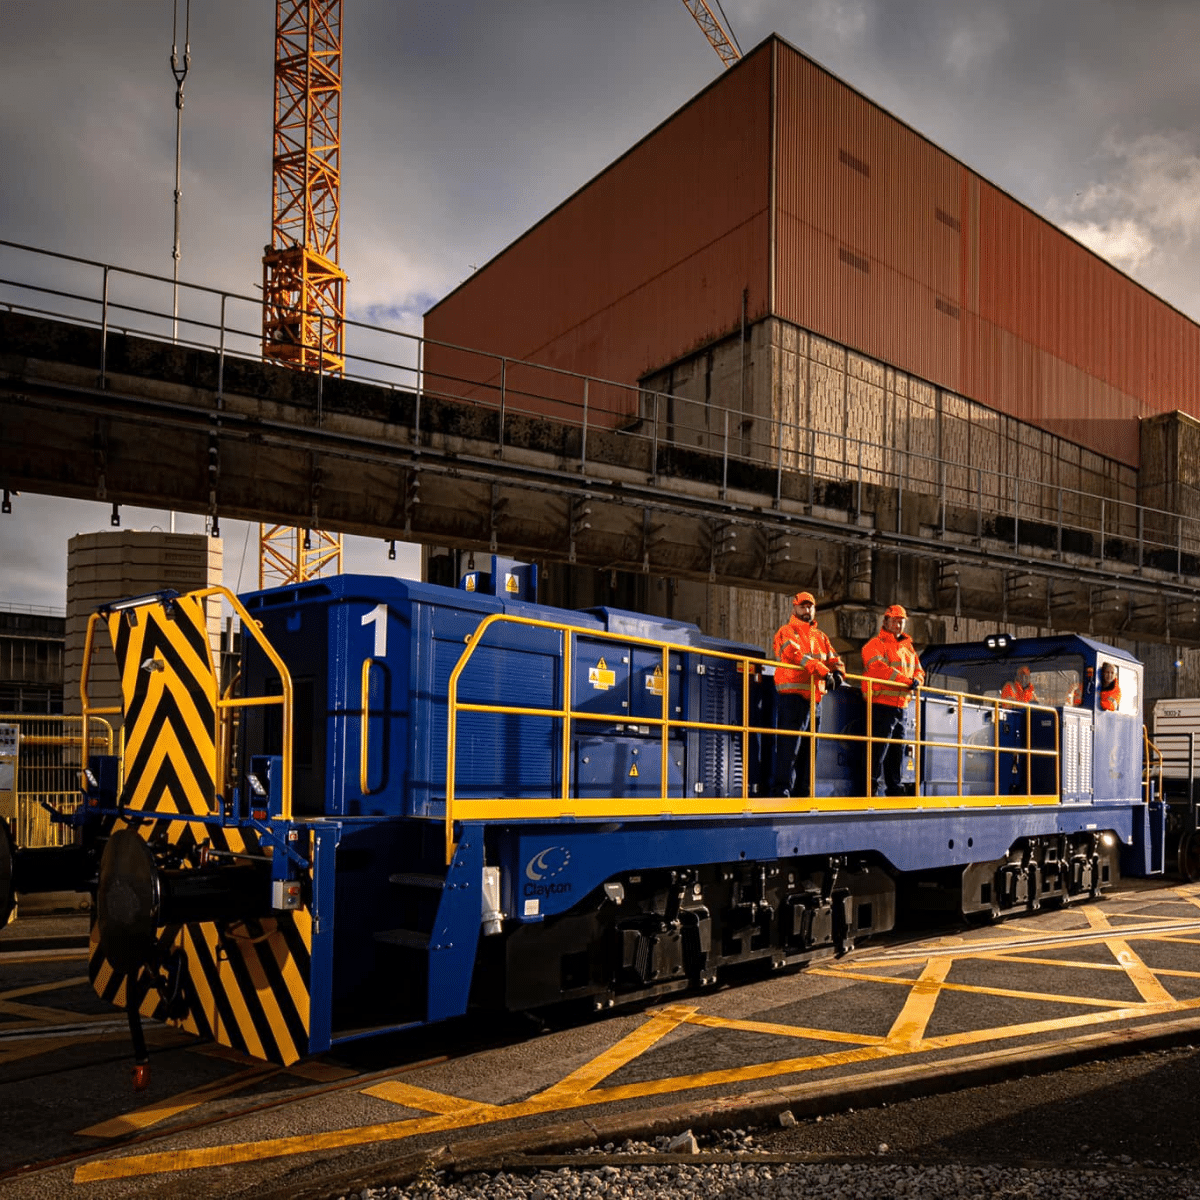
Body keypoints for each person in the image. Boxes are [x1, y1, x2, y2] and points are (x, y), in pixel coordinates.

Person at [771, 591, 845, 797]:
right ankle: (781, 791)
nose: (807, 610)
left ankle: (803, 793)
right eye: (802, 606)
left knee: (809, 751)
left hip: (814, 700)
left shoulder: (821, 637)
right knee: (788, 748)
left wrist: (838, 674)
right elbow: (795, 655)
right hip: (792, 697)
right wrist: (824, 671)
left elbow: (835, 660)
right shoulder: (786, 631)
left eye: (810, 606)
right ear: (794, 608)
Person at [861, 603, 924, 797]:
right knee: (877, 750)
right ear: (886, 621)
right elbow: (879, 669)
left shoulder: (908, 648)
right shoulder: (874, 645)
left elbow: (920, 671)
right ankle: (870, 788)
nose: (898, 625)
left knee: (897, 750)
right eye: (895, 621)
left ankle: (894, 787)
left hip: (901, 706)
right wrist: (907, 681)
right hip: (881, 704)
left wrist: (917, 681)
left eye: (901, 621)